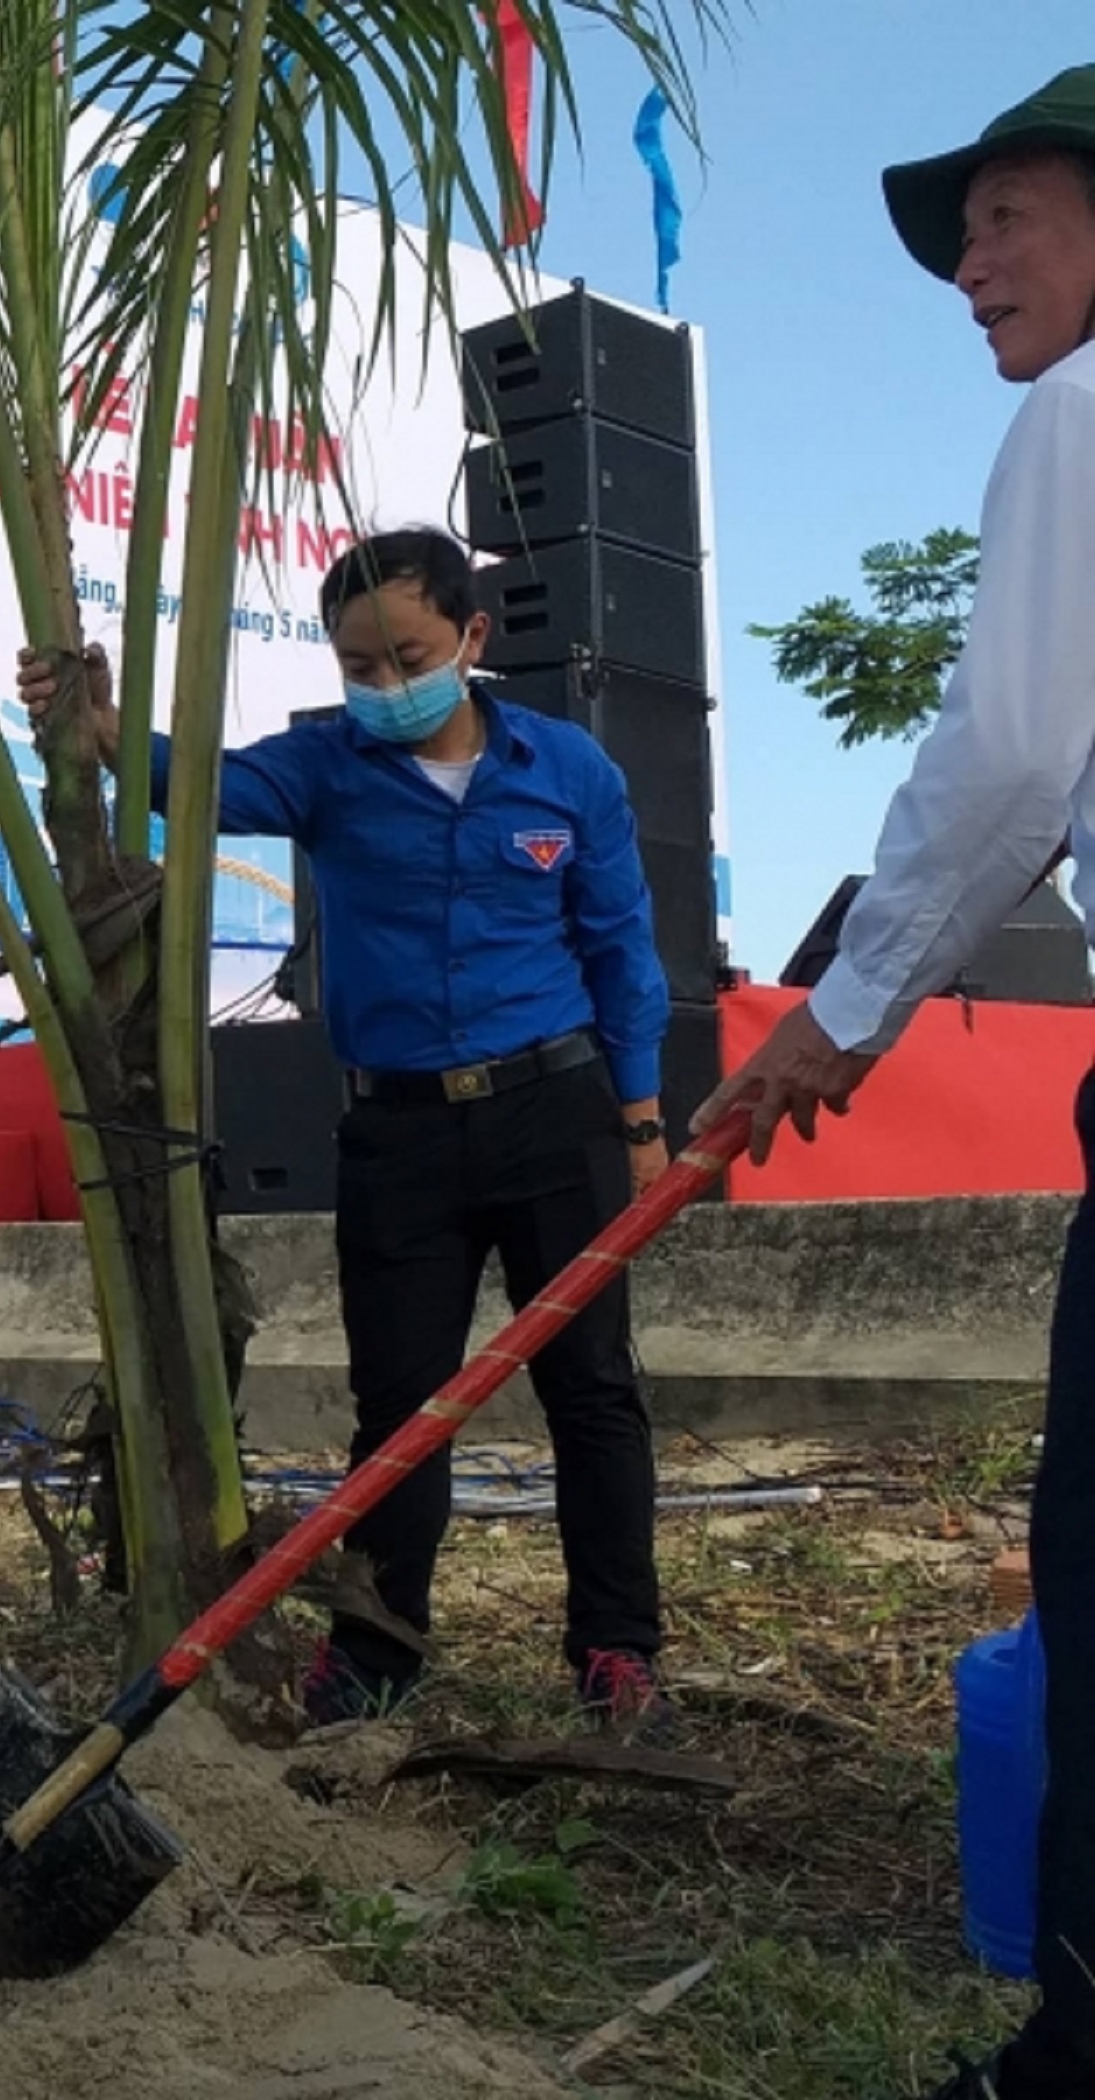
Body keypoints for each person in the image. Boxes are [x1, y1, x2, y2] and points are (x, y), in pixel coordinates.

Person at [697, 69, 1095, 2100]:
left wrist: (841, 1010)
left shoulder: (1081, 413)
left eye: (1004, 216)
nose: (966, 266)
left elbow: (1014, 753)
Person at [20, 527, 675, 1734]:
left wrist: (640, 1120)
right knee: (398, 1409)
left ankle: (615, 1654)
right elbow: (202, 785)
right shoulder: (325, 769)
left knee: (591, 1390)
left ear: (471, 639)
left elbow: (620, 947)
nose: (384, 686)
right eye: (358, 666)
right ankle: (374, 1657)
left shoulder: (566, 770)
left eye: (407, 658)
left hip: (555, 1111)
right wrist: (102, 727)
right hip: (398, 1136)